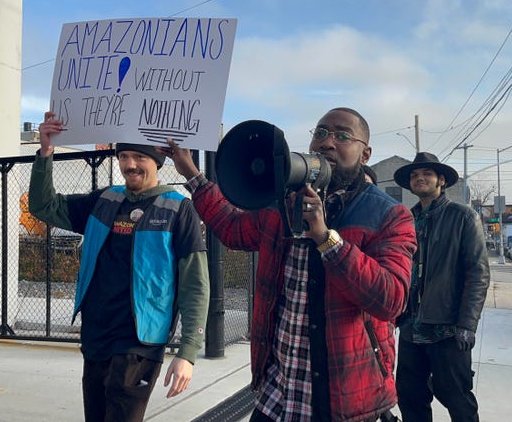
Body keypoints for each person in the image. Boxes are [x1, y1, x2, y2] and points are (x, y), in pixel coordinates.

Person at [163, 107, 416, 421]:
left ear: (365, 154)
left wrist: (327, 239)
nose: (327, 143)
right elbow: (232, 228)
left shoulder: (389, 216)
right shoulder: (283, 202)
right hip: (277, 395)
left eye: (342, 135)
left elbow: (391, 299)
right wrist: (191, 172)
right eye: (320, 133)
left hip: (344, 401)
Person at [28, 112, 210, 422]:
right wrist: (45, 153)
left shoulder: (178, 209)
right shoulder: (104, 200)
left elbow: (195, 284)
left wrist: (188, 353)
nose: (130, 164)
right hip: (96, 336)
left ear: (157, 162)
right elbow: (43, 206)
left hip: (139, 343)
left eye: (139, 156)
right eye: (124, 156)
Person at [392, 152, 490, 422]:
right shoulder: (405, 219)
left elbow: (478, 272)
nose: (419, 178)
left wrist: (467, 323)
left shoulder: (463, 216)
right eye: (414, 175)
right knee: (410, 397)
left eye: (427, 173)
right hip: (411, 326)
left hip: (448, 327)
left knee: (456, 397)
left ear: (441, 180)